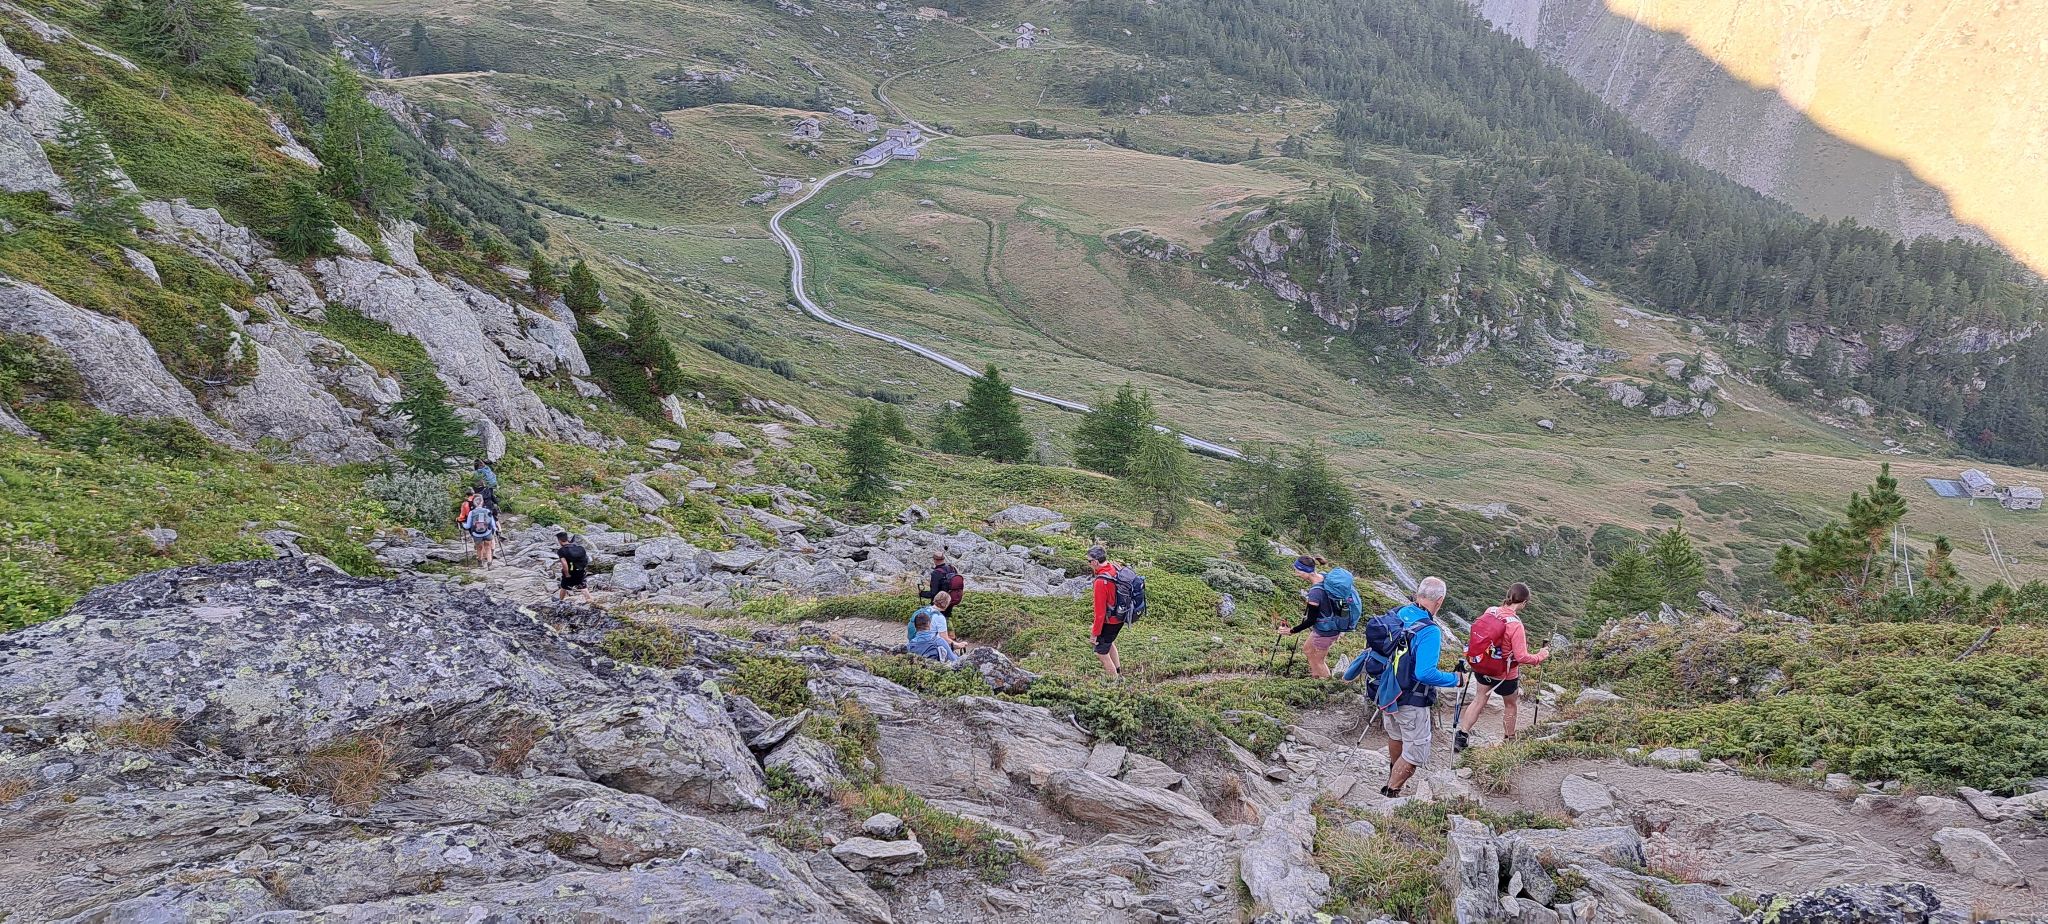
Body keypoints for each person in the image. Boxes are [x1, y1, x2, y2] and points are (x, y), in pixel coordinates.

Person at [1380, 576, 1461, 798]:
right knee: (1415, 752)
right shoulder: (1429, 630)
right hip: (1411, 697)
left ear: (1418, 594)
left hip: (1387, 691)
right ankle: (1391, 791)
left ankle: (1392, 774)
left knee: (1396, 735)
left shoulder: (1398, 613)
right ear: (1440, 600)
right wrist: (1455, 679)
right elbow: (1424, 673)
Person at [1454, 583, 1549, 752]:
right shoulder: (1515, 625)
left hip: (1482, 667)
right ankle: (1508, 740)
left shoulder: (1490, 611)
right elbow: (1521, 656)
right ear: (1524, 602)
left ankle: (1462, 735)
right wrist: (1540, 656)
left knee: (1479, 699)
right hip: (1505, 674)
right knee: (1510, 705)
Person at [1277, 556, 1343, 679]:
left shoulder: (1315, 593)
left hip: (1327, 630)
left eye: (1298, 571)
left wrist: (1291, 631)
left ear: (1306, 571)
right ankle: (1316, 677)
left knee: (1318, 660)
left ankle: (1326, 683)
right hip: (1329, 624)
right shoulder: (1324, 576)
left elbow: (1311, 620)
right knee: (1308, 650)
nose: (1296, 574)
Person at [1089, 546, 1124, 680]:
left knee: (1101, 653)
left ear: (1095, 562)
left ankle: (1115, 682)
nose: (1089, 564)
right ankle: (1118, 672)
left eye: (1089, 561)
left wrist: (1094, 634)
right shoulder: (1114, 568)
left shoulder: (1100, 582)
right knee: (1109, 642)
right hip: (1120, 616)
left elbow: (1100, 613)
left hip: (1110, 621)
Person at [555, 531, 592, 605]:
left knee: (564, 586)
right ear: (567, 539)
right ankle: (590, 601)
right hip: (580, 571)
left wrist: (567, 574)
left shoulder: (562, 550)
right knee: (583, 587)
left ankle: (560, 601)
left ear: (559, 540)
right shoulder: (578, 547)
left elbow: (564, 563)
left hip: (570, 572)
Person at [464, 501, 499, 568]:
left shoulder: (472, 512)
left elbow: (468, 526)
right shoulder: (487, 511)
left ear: (474, 504)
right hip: (487, 533)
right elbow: (492, 523)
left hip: (476, 534)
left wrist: (463, 525)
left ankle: (480, 562)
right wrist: (495, 529)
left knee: (479, 548)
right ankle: (489, 563)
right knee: (488, 548)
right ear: (482, 503)